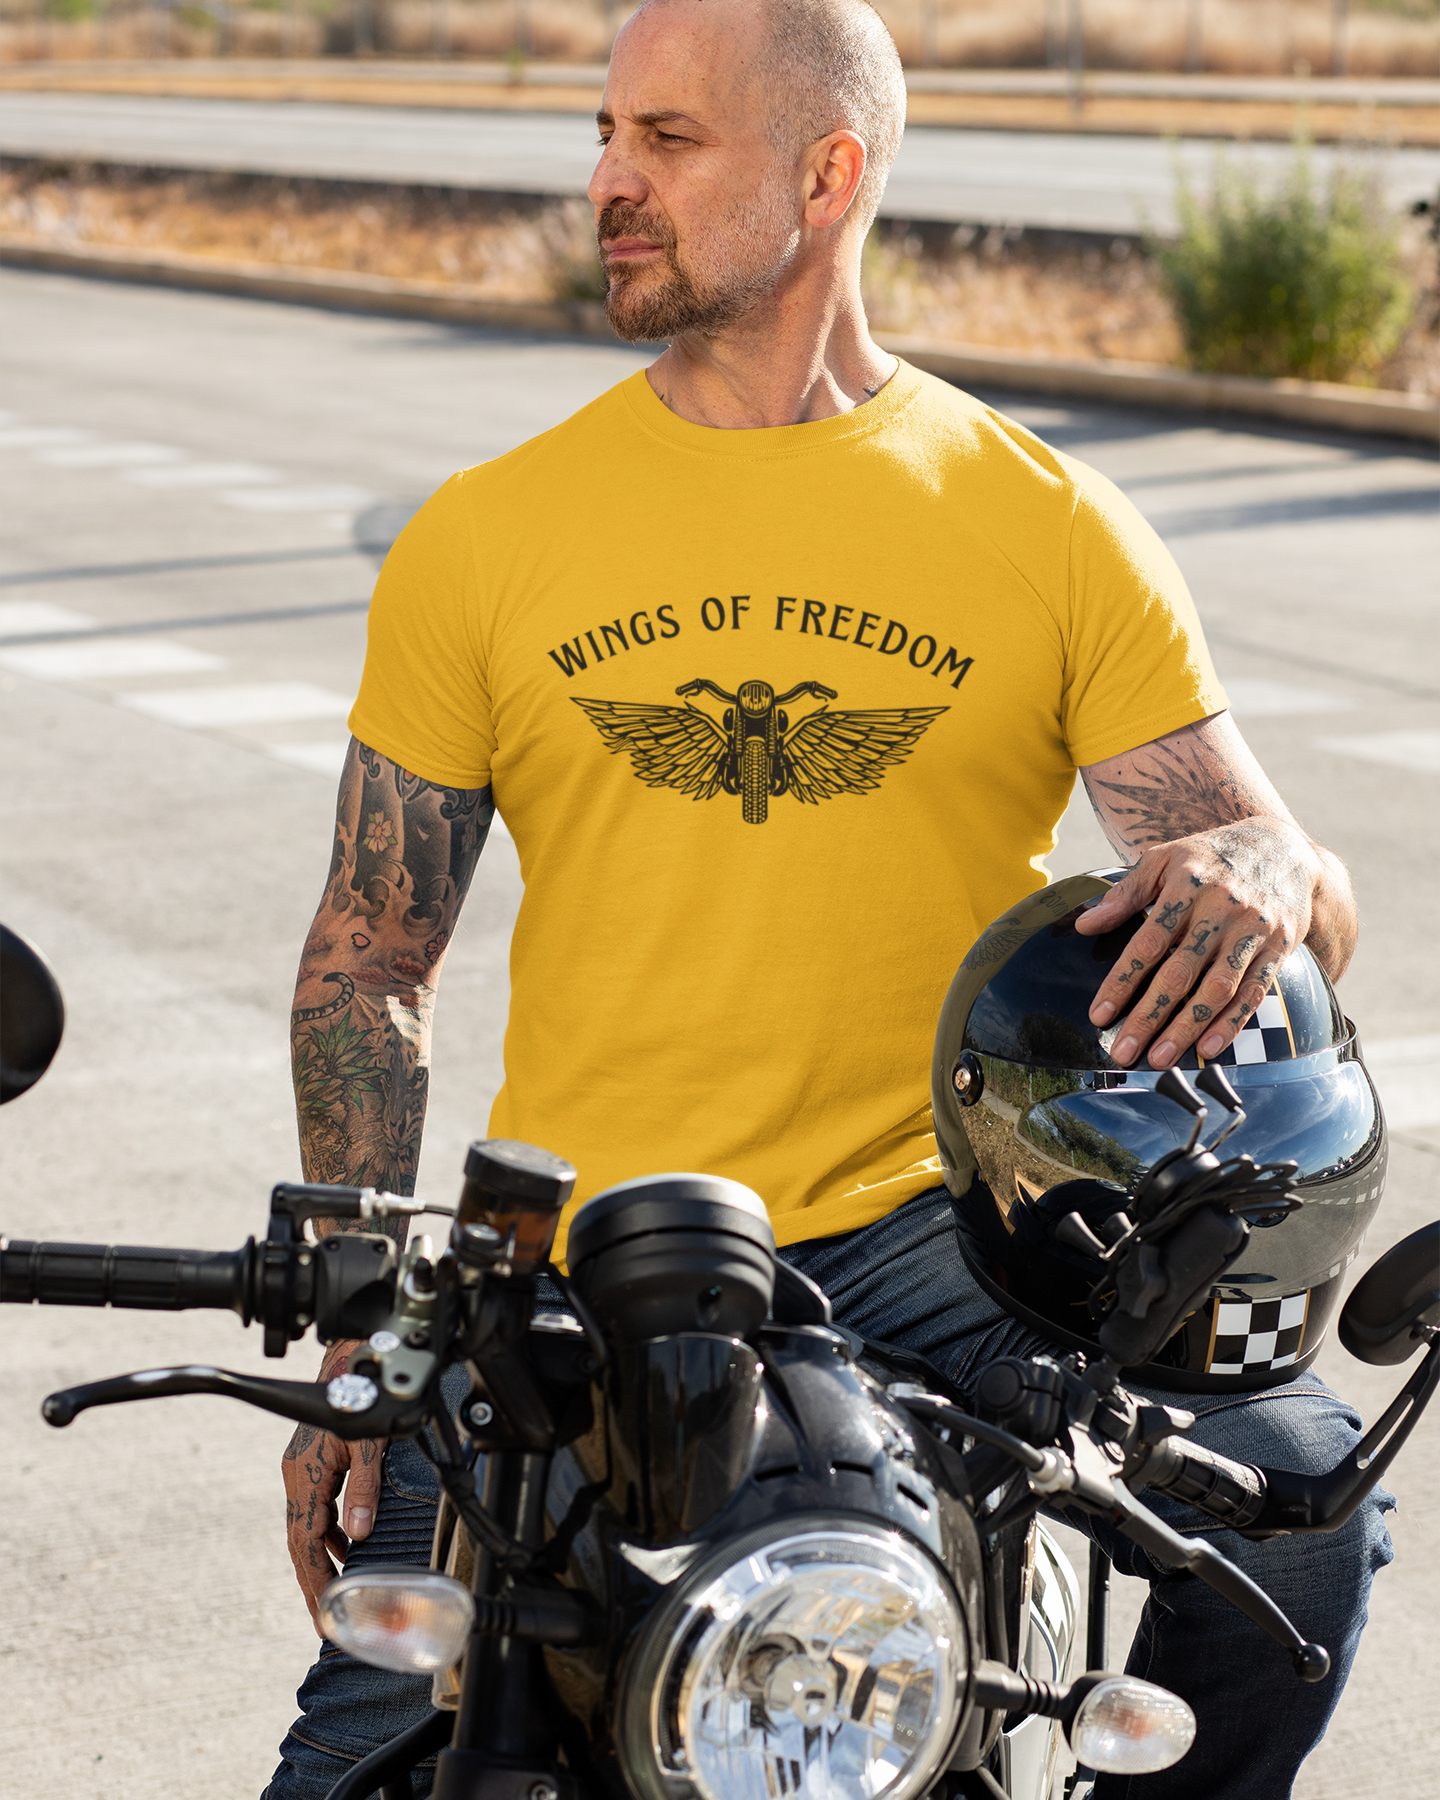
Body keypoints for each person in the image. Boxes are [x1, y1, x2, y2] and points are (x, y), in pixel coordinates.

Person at [266, 1, 1392, 1794]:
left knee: (1301, 1522)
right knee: (361, 1750)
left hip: (939, 1242)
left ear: (829, 172)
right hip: (579, 1259)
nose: (606, 182)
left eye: (667, 142)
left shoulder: (1043, 523)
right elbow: (370, 958)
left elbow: (1285, 895)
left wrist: (1276, 864)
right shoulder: (487, 532)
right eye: (610, 133)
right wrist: (364, 1329)